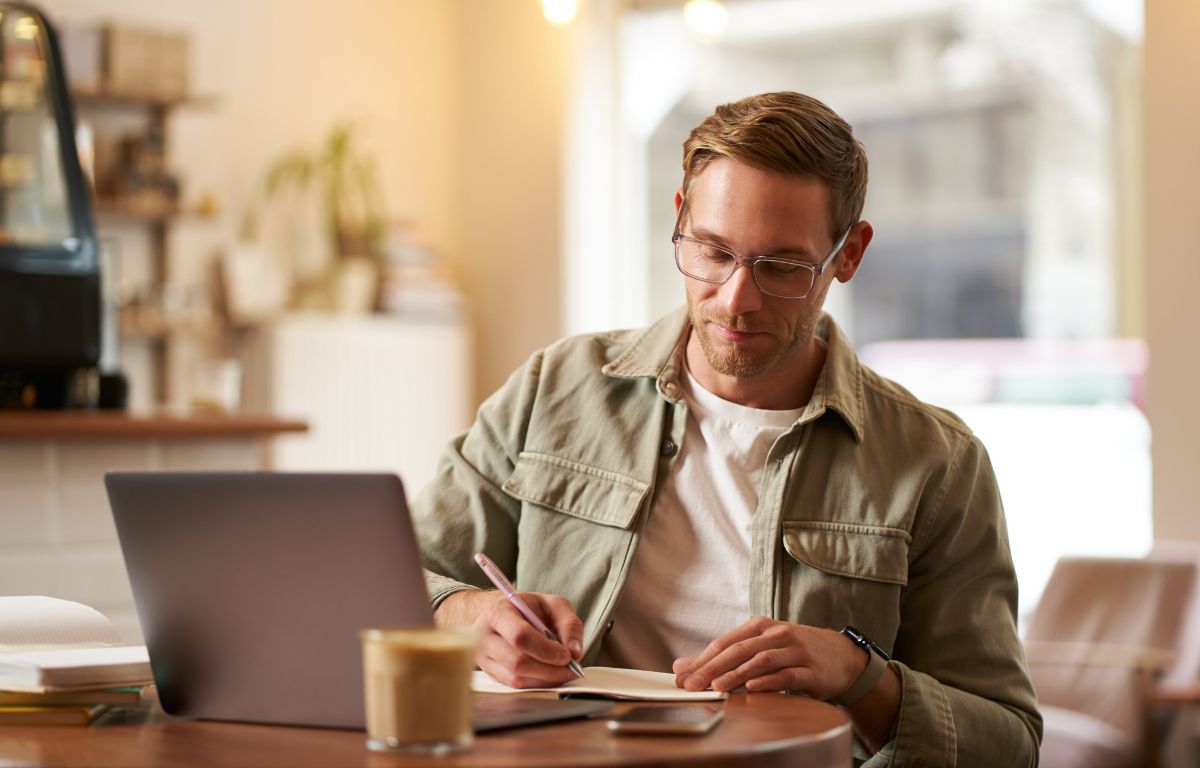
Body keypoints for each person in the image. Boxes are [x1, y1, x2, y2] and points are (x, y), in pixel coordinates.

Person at [413, 91, 1042, 765]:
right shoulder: (556, 389)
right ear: (680, 217)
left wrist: (858, 675)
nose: (737, 298)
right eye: (713, 253)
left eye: (781, 267)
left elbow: (1006, 744)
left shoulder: (937, 464)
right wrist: (473, 620)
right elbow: (400, 580)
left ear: (849, 254)